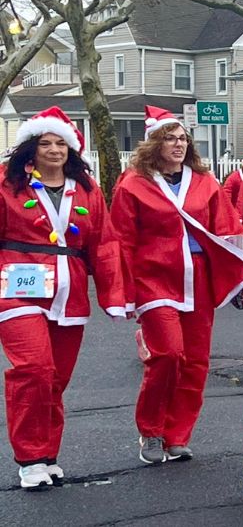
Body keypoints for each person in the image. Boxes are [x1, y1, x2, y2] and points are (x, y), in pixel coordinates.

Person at [111, 105, 243, 465]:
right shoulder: (133, 183)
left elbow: (228, 230)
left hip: (198, 279)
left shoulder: (205, 182)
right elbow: (121, 240)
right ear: (153, 144)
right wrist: (124, 290)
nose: (178, 145)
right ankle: (151, 430)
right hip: (154, 278)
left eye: (182, 138)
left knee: (195, 362)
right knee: (168, 355)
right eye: (169, 138)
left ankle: (177, 435)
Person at [0, 107, 126, 490]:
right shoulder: (7, 186)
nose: (54, 150)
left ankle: (47, 454)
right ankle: (30, 458)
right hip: (17, 287)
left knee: (55, 379)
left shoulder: (87, 190)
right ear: (30, 149)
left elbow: (104, 245)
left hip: (68, 293)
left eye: (61, 143)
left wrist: (114, 295)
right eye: (45, 143)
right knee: (33, 370)